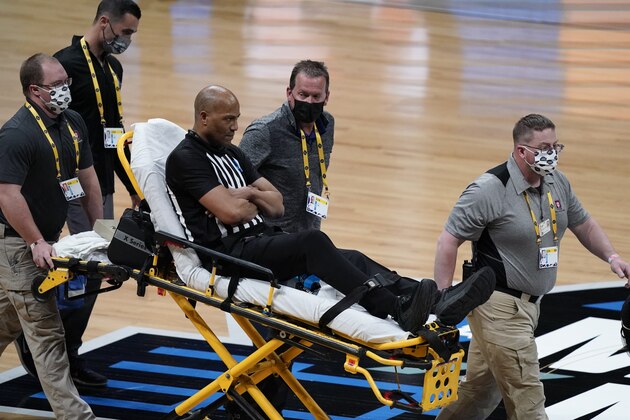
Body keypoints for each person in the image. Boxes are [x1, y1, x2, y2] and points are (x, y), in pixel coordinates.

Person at [166, 83, 494, 341]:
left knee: (349, 257)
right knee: (312, 243)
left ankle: (436, 300)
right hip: (227, 257)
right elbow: (230, 213)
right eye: (228, 119)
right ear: (204, 116)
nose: (235, 126)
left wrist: (247, 193)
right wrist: (252, 197)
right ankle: (394, 307)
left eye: (237, 118)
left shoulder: (232, 153)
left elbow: (277, 203)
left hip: (261, 239)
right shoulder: (186, 158)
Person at [434, 114, 630, 419]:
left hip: (527, 307)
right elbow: (448, 240)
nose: (551, 154)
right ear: (521, 151)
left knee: (479, 394)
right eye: (543, 147)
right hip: (498, 308)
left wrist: (612, 256)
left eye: (555, 146)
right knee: (529, 401)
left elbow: (583, 224)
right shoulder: (489, 189)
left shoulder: (556, 182)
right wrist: (443, 299)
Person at [15, 0, 143, 389]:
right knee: (83, 269)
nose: (128, 41)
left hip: (97, 184)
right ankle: (51, 349)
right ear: (105, 23)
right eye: (125, 33)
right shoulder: (64, 64)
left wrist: (133, 190)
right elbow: (45, 128)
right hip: (65, 185)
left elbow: (115, 136)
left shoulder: (113, 67)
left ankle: (66, 350)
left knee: (92, 271)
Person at [0, 53, 101, 419]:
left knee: (6, 321)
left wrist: (97, 234)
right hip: (18, 245)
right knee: (46, 334)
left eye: (65, 83)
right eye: (56, 85)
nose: (64, 90)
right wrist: (36, 241)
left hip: (46, 240)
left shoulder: (72, 121)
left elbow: (88, 178)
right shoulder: (16, 135)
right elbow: (7, 195)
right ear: (34, 90)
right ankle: (75, 415)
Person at [239, 59, 333, 233]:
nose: (310, 102)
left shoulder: (327, 126)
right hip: (271, 235)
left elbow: (317, 176)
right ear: (289, 93)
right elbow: (235, 176)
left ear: (326, 97)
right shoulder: (264, 131)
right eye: (303, 95)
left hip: (310, 231)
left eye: (316, 96)